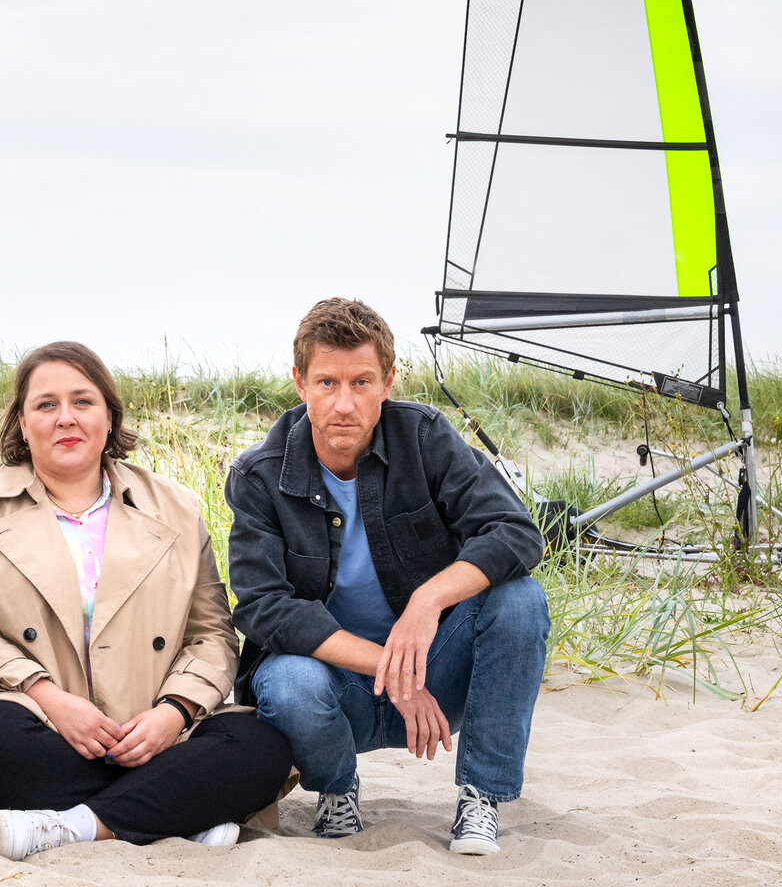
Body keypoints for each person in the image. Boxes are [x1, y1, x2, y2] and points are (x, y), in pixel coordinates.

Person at [0, 341, 293, 861]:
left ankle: (76, 824)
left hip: (153, 731)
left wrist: (174, 714)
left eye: (83, 401)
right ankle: (178, 810)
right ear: (22, 423)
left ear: (110, 416)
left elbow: (213, 635)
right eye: (46, 405)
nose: (65, 417)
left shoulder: (175, 508)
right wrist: (50, 699)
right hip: (36, 722)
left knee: (262, 748)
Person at [225, 298, 549, 855]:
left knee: (520, 600)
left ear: (389, 381)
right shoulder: (260, 474)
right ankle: (336, 789)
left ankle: (479, 798)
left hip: (435, 668)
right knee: (285, 682)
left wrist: (427, 600)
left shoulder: (425, 437)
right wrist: (389, 669)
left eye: (362, 381)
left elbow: (516, 532)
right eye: (327, 382)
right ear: (299, 382)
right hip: (339, 685)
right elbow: (263, 607)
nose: (344, 403)